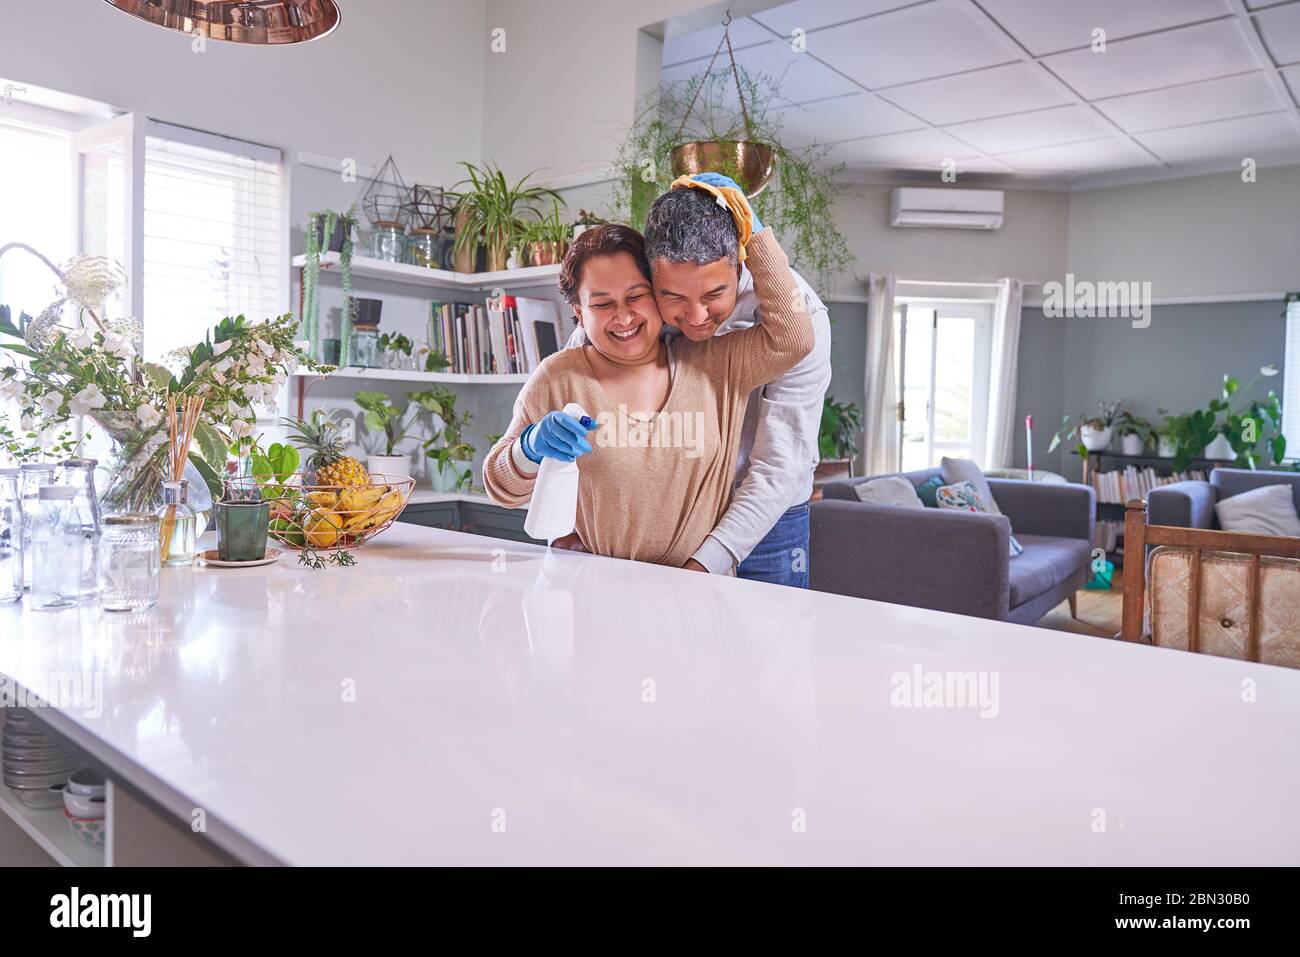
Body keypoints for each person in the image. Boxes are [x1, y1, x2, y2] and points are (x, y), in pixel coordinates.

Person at [482, 183, 812, 570]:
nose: (623, 317)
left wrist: (752, 233)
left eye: (636, 296)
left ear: (654, 293)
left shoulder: (717, 364)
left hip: (697, 593)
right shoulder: (559, 377)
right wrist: (529, 447)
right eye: (602, 304)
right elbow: (501, 488)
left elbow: (795, 338)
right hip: (601, 591)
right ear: (577, 308)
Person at [566, 173, 832, 587]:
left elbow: (781, 464)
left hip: (769, 518)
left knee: (770, 649)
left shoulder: (801, 316)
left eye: (713, 296)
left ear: (740, 264)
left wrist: (707, 561)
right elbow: (581, 372)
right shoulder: (639, 306)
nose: (695, 317)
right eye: (673, 297)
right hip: (667, 509)